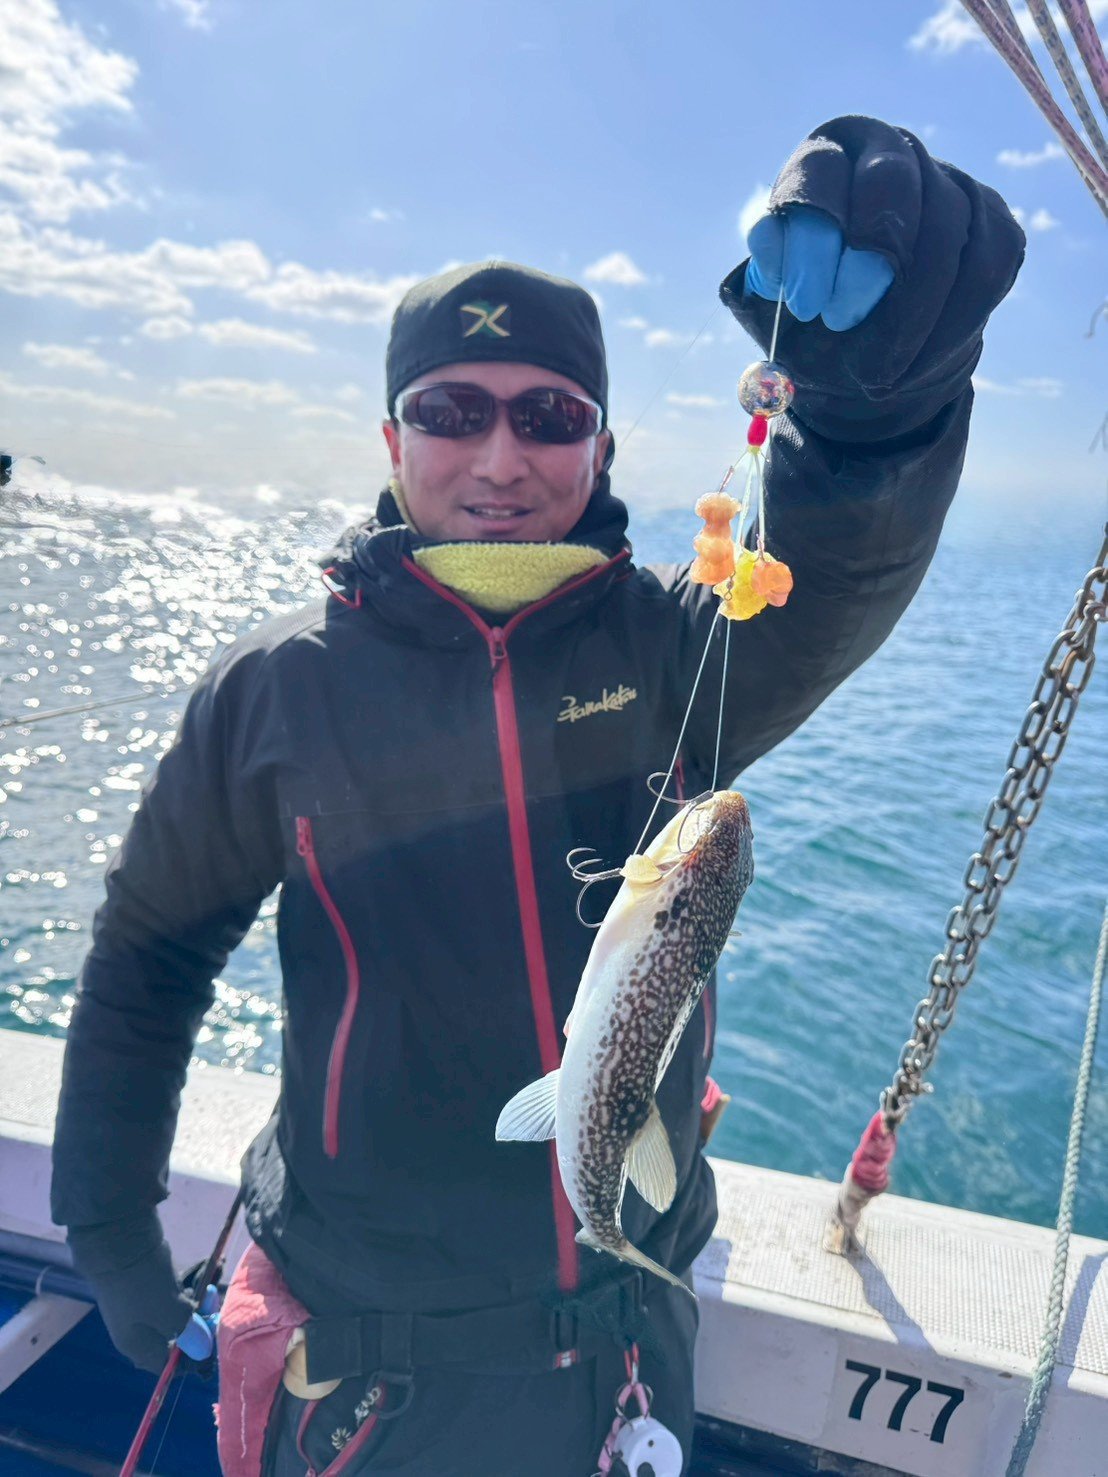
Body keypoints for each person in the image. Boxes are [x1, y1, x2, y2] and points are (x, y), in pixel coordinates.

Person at [51, 116, 1024, 1476]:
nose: (500, 459)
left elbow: (844, 560)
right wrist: (105, 1216)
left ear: (601, 446)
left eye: (548, 416)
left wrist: (885, 400)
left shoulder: (677, 650)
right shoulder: (277, 687)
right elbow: (150, 956)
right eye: (453, 412)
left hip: (631, 1337)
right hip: (366, 1358)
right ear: (392, 437)